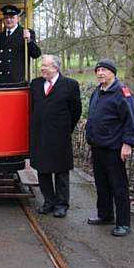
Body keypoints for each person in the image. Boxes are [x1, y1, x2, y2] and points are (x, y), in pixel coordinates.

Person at [85, 59, 134, 237]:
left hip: (114, 148)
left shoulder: (121, 93)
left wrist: (128, 144)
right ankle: (105, 215)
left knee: (118, 186)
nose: (100, 73)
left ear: (113, 73)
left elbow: (131, 120)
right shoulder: (98, 92)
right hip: (98, 146)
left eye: (105, 70)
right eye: (98, 70)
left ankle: (123, 223)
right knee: (102, 184)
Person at [30, 55, 82, 218]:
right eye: (42, 66)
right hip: (41, 134)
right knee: (42, 170)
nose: (42, 69)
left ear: (56, 68)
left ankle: (61, 204)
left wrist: (66, 128)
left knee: (61, 172)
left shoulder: (70, 85)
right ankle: (48, 201)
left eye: (46, 66)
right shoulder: (36, 84)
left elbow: (76, 111)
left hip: (60, 135)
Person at [0, 5, 41, 83]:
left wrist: (29, 40)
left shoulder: (26, 32)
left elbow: (36, 54)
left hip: (18, 81)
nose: (8, 20)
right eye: (6, 17)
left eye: (12, 17)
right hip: (1, 81)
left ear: (18, 19)